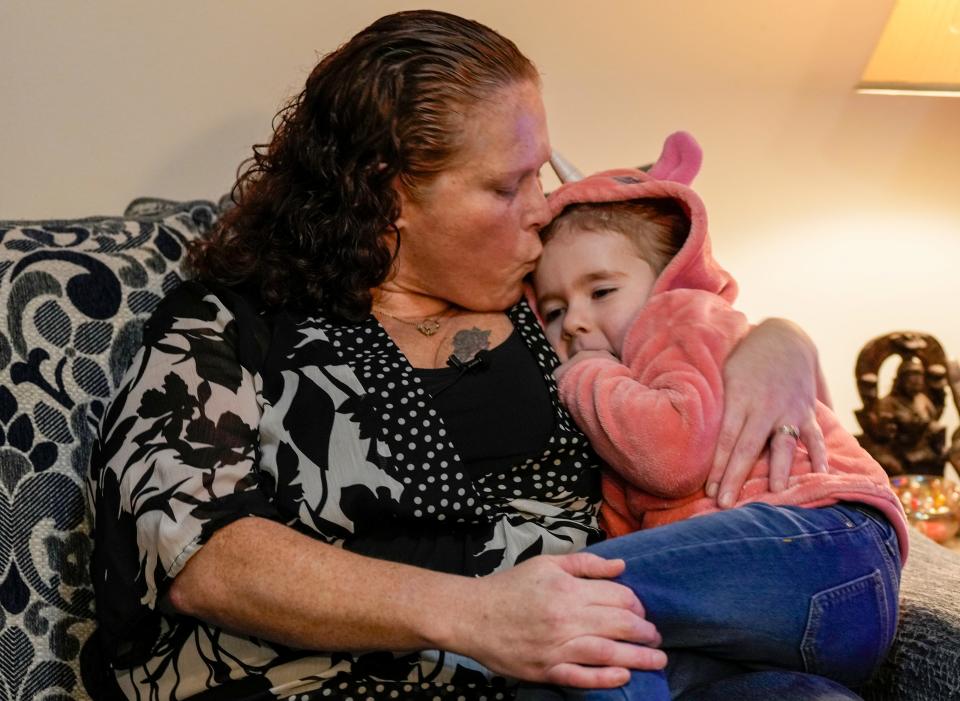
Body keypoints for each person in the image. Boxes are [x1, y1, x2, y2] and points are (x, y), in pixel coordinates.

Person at [87, 11, 877, 701]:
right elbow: (193, 546)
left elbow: (691, 329)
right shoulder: (236, 320)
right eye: (507, 187)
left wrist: (783, 340)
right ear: (390, 195)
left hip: (605, 668)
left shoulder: (555, 306)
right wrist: (477, 612)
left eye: (541, 170)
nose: (543, 209)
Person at [525, 134, 906, 697]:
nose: (575, 322)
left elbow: (672, 458)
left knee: (564, 600)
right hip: (777, 624)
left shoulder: (678, 317)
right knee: (598, 665)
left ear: (669, 278)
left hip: (821, 545)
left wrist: (582, 374)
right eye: (554, 311)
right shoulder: (621, 387)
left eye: (601, 291)